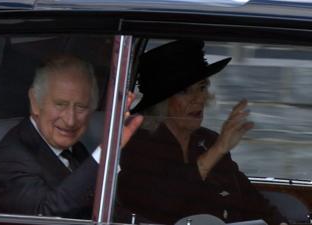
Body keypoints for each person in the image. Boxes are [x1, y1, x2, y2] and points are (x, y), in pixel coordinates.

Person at [117, 40, 288, 225]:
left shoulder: (207, 140)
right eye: (185, 91)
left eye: (202, 87)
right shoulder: (137, 144)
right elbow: (162, 203)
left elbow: (253, 202)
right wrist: (216, 151)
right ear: (162, 102)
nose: (199, 99)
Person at [0, 54, 143, 219]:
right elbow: (44, 214)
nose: (70, 120)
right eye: (60, 104)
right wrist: (106, 152)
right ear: (35, 102)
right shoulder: (10, 161)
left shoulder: (73, 148)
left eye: (81, 107)